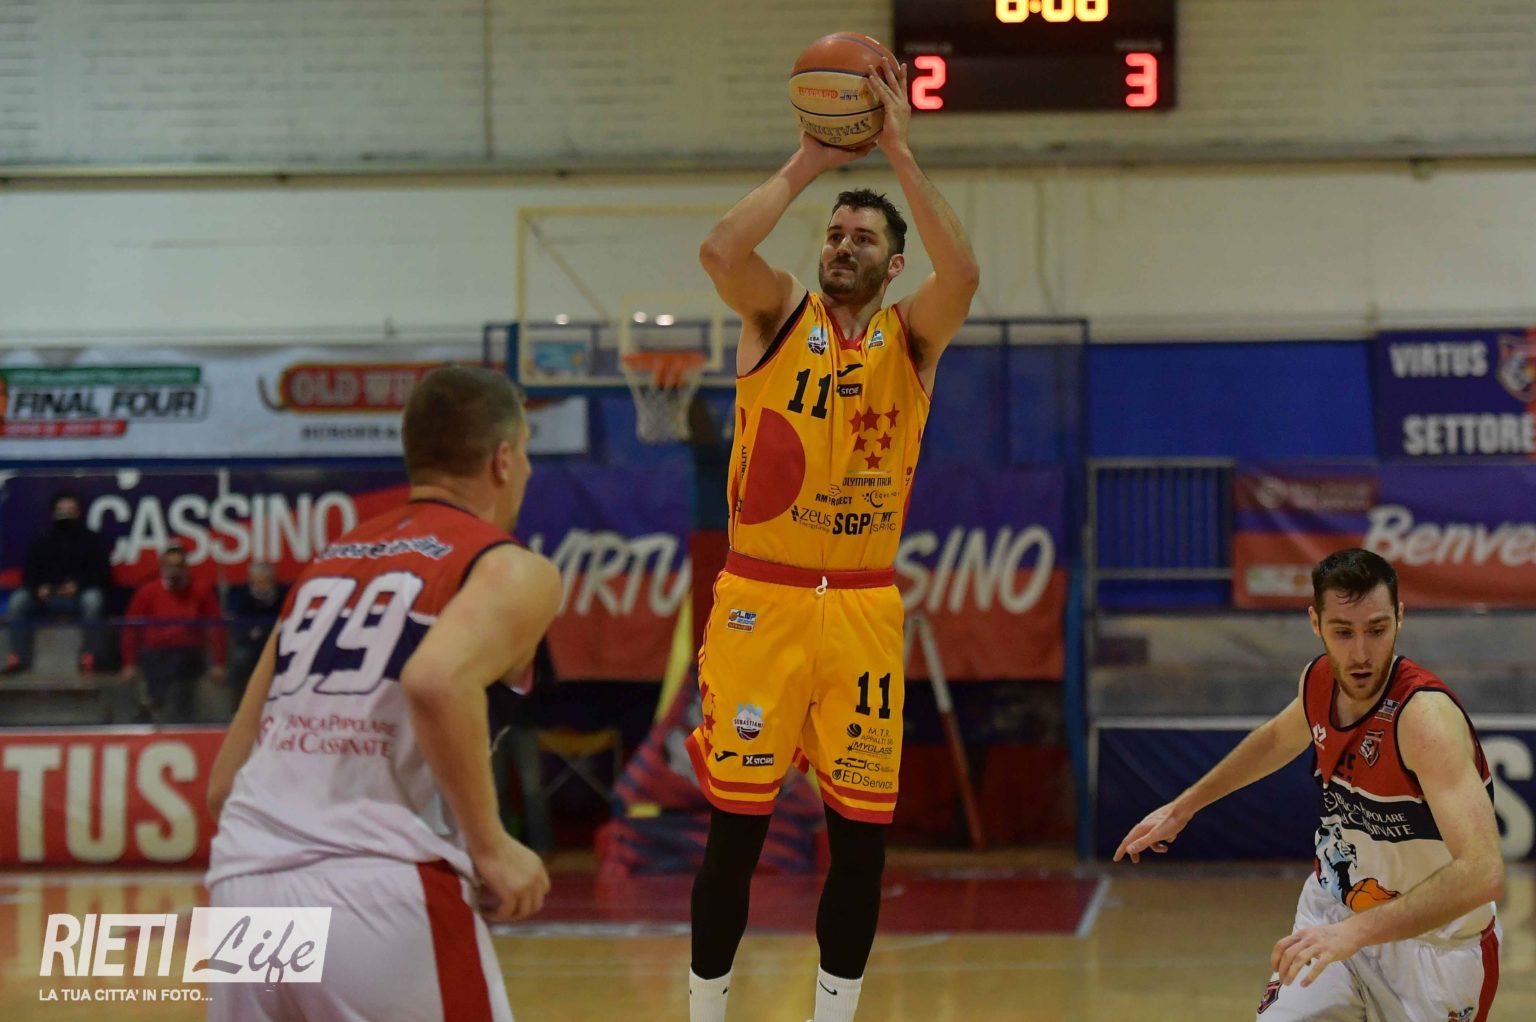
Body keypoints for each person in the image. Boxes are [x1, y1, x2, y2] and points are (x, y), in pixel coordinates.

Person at [687, 56, 978, 1022]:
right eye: (836, 233)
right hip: (761, 601)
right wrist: (810, 161)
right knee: (735, 836)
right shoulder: (776, 313)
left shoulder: (913, 338)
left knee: (860, 843)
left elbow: (963, 273)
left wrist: (897, 150)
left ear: (893, 266)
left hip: (860, 612)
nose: (844, 245)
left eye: (865, 238)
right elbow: (720, 252)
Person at [204, 366, 562, 1022]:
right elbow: (435, 681)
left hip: (243, 888)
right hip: (377, 887)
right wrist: (490, 845)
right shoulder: (509, 566)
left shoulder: (324, 568)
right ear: (503, 459)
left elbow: (224, 786)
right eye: (528, 451)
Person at [1115, 548, 1504, 1021]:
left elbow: (1482, 872)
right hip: (1334, 915)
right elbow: (1276, 739)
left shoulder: (1425, 721)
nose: (1360, 654)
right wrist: (1184, 806)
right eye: (1343, 632)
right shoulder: (1318, 682)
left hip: (1434, 950)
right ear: (1315, 622)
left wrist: (1356, 933)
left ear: (1399, 618)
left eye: (1376, 630)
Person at [3, 490, 112, 677]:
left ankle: (89, 657)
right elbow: (29, 576)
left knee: (94, 599)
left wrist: (78, 586)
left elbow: (102, 575)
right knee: (18, 601)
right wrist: (39, 589)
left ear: (79, 513)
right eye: (61, 511)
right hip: (46, 599)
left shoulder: (92, 540)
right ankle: (19, 658)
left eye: (70, 510)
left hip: (78, 598)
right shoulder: (42, 541)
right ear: (53, 513)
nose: (65, 515)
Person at [120, 544, 226, 722]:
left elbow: (216, 627)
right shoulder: (148, 591)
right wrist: (129, 663)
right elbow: (131, 628)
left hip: (190, 653)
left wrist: (218, 663)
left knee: (178, 663)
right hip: (156, 653)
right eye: (170, 566)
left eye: (178, 566)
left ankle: (155, 705)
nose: (174, 571)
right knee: (157, 663)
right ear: (162, 567)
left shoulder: (201, 590)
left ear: (185, 567)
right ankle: (157, 706)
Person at [223, 561, 287, 707]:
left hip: (279, 644)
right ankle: (240, 705)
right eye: (256, 582)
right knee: (241, 658)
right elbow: (237, 626)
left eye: (265, 581)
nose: (260, 586)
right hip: (249, 645)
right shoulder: (240, 595)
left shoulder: (284, 594)